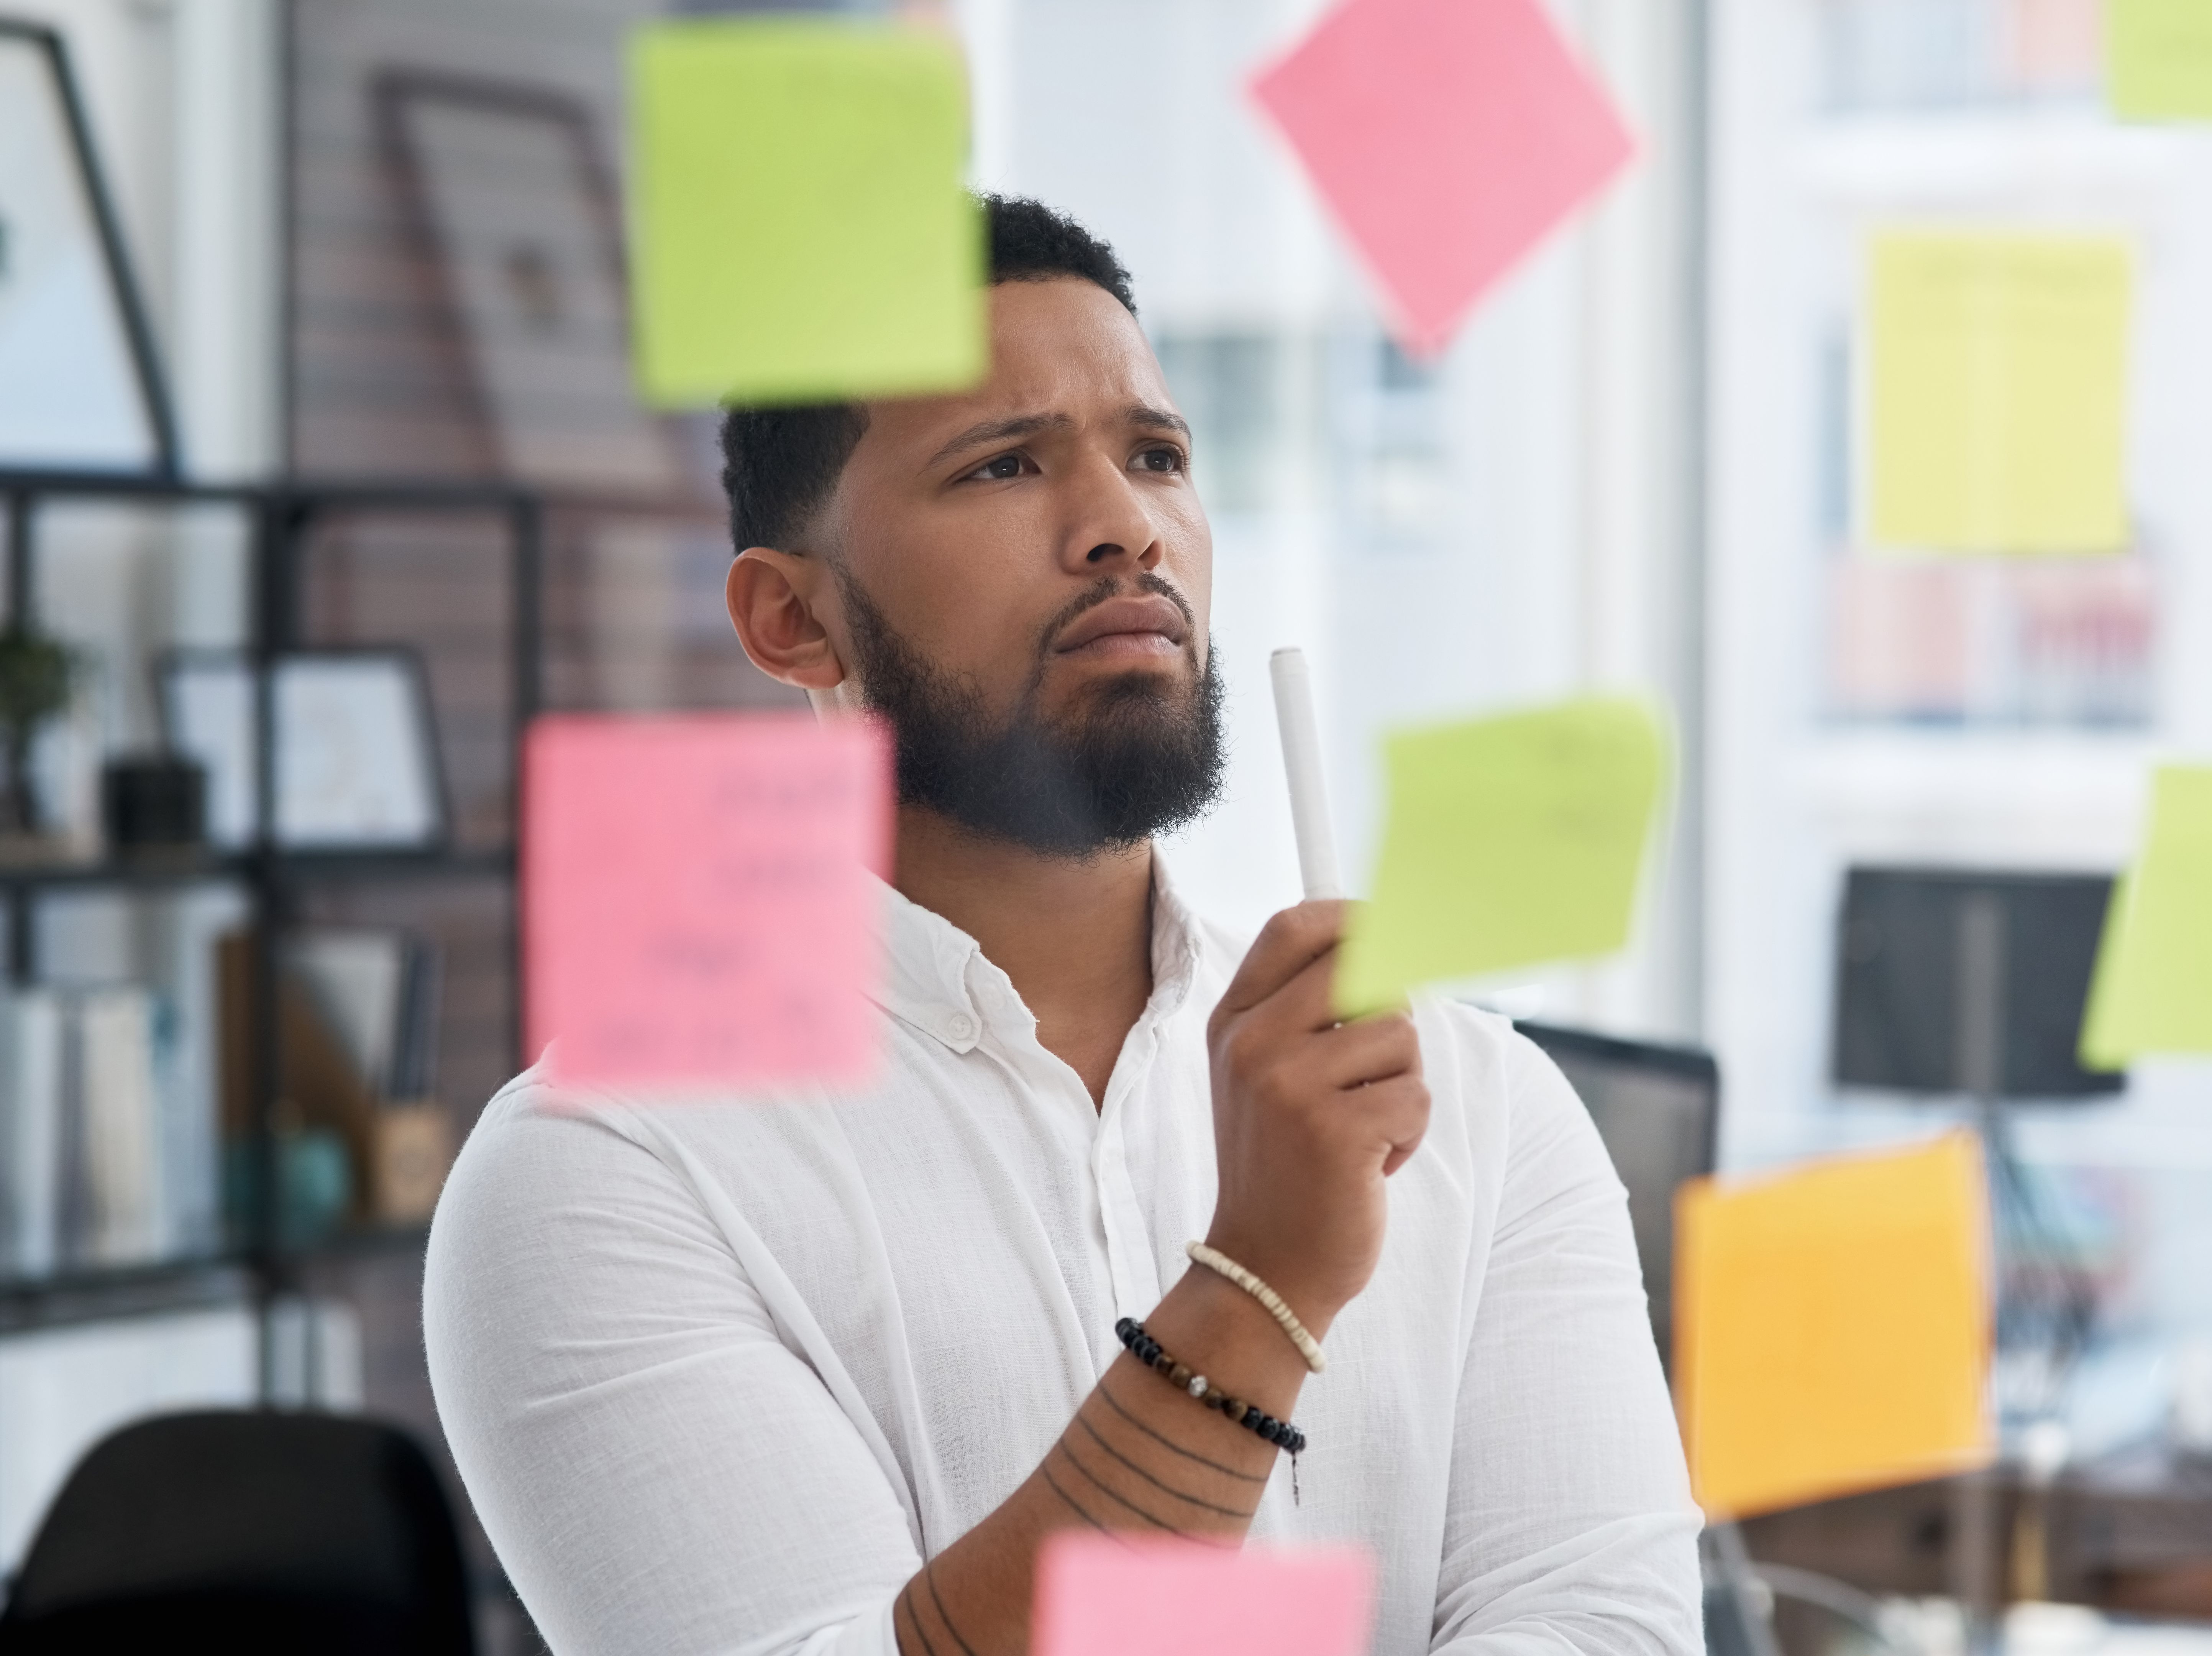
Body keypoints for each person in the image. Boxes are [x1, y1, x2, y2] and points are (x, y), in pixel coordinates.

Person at [425, 195, 1702, 1656]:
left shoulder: (1477, 1108)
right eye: (1003, 466)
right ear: (793, 621)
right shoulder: (609, 1171)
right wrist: (1260, 1288)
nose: (1122, 529)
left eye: (1157, 456)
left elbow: (1609, 1631)